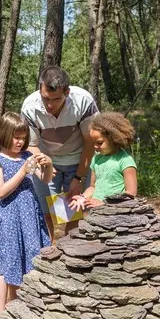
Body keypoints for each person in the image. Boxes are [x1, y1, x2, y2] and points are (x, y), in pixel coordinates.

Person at [0, 112, 53, 319]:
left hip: (28, 217)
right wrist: (23, 171)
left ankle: (19, 310)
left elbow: (44, 179)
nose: (20, 142)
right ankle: (0, 315)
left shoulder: (27, 156)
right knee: (5, 265)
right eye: (16, 137)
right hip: (8, 219)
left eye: (23, 137)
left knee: (26, 260)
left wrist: (48, 164)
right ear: (4, 135)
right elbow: (1, 191)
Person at [21, 66, 99, 241]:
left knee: (73, 211)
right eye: (45, 98)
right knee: (45, 210)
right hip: (46, 159)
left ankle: (69, 253)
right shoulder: (29, 106)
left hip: (78, 158)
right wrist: (44, 164)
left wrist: (78, 178)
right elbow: (30, 145)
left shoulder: (83, 101)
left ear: (67, 92)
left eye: (55, 99)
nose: (49, 105)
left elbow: (90, 142)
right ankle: (46, 253)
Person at [69, 112, 138, 211]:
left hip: (117, 214)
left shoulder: (125, 161)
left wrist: (105, 204)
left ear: (114, 138)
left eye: (99, 143)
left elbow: (131, 193)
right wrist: (83, 197)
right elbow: (93, 187)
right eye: (93, 142)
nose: (95, 146)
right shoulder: (96, 159)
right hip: (96, 212)